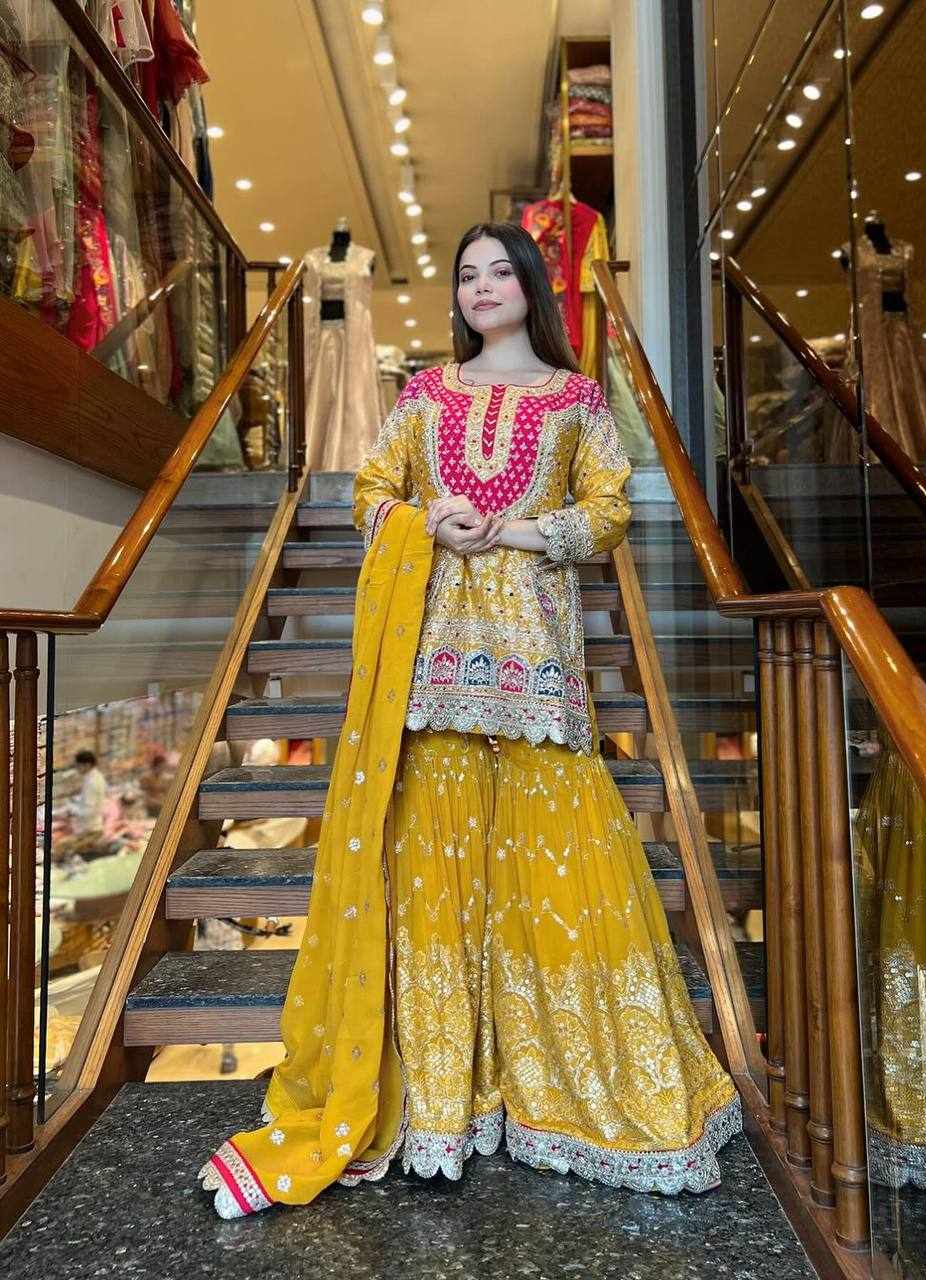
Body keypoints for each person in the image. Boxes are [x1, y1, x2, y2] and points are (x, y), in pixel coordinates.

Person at [200, 222, 740, 1218]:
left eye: (499, 271)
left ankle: (562, 1085)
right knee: (434, 881)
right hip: (431, 664)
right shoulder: (423, 395)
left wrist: (520, 530)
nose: (482, 286)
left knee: (558, 869)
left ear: (530, 285)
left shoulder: (577, 400)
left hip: (537, 667)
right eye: (466, 275)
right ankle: (442, 1101)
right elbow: (371, 490)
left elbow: (610, 509)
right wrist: (427, 519)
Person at [54, 749, 109, 861]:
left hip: (89, 830)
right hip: (89, 826)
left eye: (78, 766)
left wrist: (70, 812)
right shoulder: (95, 777)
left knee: (58, 848)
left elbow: (88, 811)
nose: (77, 768)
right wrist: (73, 802)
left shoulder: (92, 782)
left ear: (87, 765)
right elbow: (88, 801)